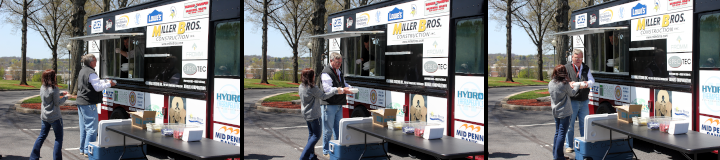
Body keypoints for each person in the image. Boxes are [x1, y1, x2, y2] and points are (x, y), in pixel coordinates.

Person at [299, 68, 348, 160]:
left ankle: (311, 156)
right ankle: (304, 156)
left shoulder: (301, 86)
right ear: (311, 77)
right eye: (313, 75)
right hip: (314, 115)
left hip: (306, 114)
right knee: (316, 136)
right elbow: (323, 96)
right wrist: (335, 90)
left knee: (311, 135)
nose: (314, 77)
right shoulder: (312, 88)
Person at [76, 54, 116, 157]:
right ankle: (88, 151)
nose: (96, 62)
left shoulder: (83, 70)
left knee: (84, 128)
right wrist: (109, 84)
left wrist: (105, 81)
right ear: (90, 62)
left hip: (81, 102)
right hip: (88, 103)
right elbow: (97, 87)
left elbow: (94, 83)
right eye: (95, 60)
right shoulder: (91, 73)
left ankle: (83, 149)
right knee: (92, 129)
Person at [29, 70, 69, 160]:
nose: (56, 76)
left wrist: (62, 94)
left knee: (41, 136)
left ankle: (33, 157)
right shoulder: (54, 89)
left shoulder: (42, 87)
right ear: (52, 77)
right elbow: (57, 103)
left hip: (45, 117)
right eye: (55, 75)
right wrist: (66, 97)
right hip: (55, 117)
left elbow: (50, 96)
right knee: (58, 138)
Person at [320, 52, 353, 157]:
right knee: (328, 130)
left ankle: (337, 149)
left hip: (339, 103)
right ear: (331, 61)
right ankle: (326, 151)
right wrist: (343, 90)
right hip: (329, 104)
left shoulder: (339, 71)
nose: (339, 64)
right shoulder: (326, 72)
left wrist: (350, 88)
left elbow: (343, 83)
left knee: (338, 129)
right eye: (337, 62)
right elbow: (327, 89)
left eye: (340, 62)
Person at [564, 49, 594, 153]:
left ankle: (584, 144)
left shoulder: (586, 67)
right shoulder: (566, 68)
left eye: (580, 58)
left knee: (584, 124)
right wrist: (569, 84)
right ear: (572, 58)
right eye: (576, 58)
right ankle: (569, 145)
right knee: (570, 125)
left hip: (584, 100)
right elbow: (562, 82)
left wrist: (587, 83)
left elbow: (592, 81)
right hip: (572, 101)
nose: (579, 60)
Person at [549, 65, 580, 160]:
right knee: (562, 134)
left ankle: (556, 155)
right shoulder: (564, 84)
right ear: (564, 73)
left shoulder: (551, 83)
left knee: (557, 133)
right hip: (565, 112)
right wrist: (577, 86)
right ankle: (559, 157)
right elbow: (572, 93)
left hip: (555, 111)